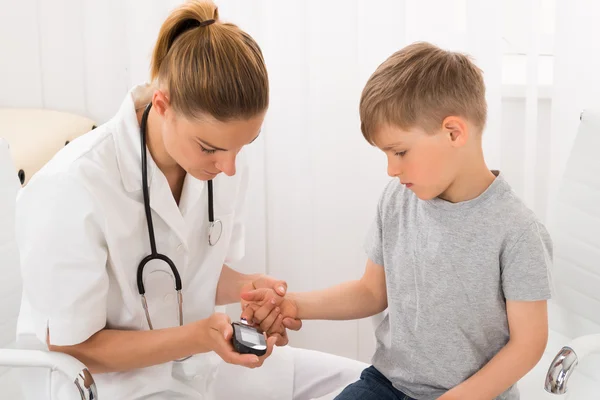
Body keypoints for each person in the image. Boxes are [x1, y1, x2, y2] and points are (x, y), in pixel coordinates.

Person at [15, 1, 366, 399]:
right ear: (162, 106)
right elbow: (71, 344)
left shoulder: (220, 163)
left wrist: (251, 287)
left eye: (243, 145)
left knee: (369, 384)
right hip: (109, 384)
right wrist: (199, 336)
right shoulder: (72, 186)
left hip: (198, 366)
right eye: (210, 148)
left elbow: (188, 271)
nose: (229, 167)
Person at [242, 42, 553, 400]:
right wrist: (293, 305)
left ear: (454, 132)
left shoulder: (517, 232)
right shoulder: (398, 199)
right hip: (388, 385)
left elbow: (528, 344)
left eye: (400, 152)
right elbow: (371, 292)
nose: (392, 169)